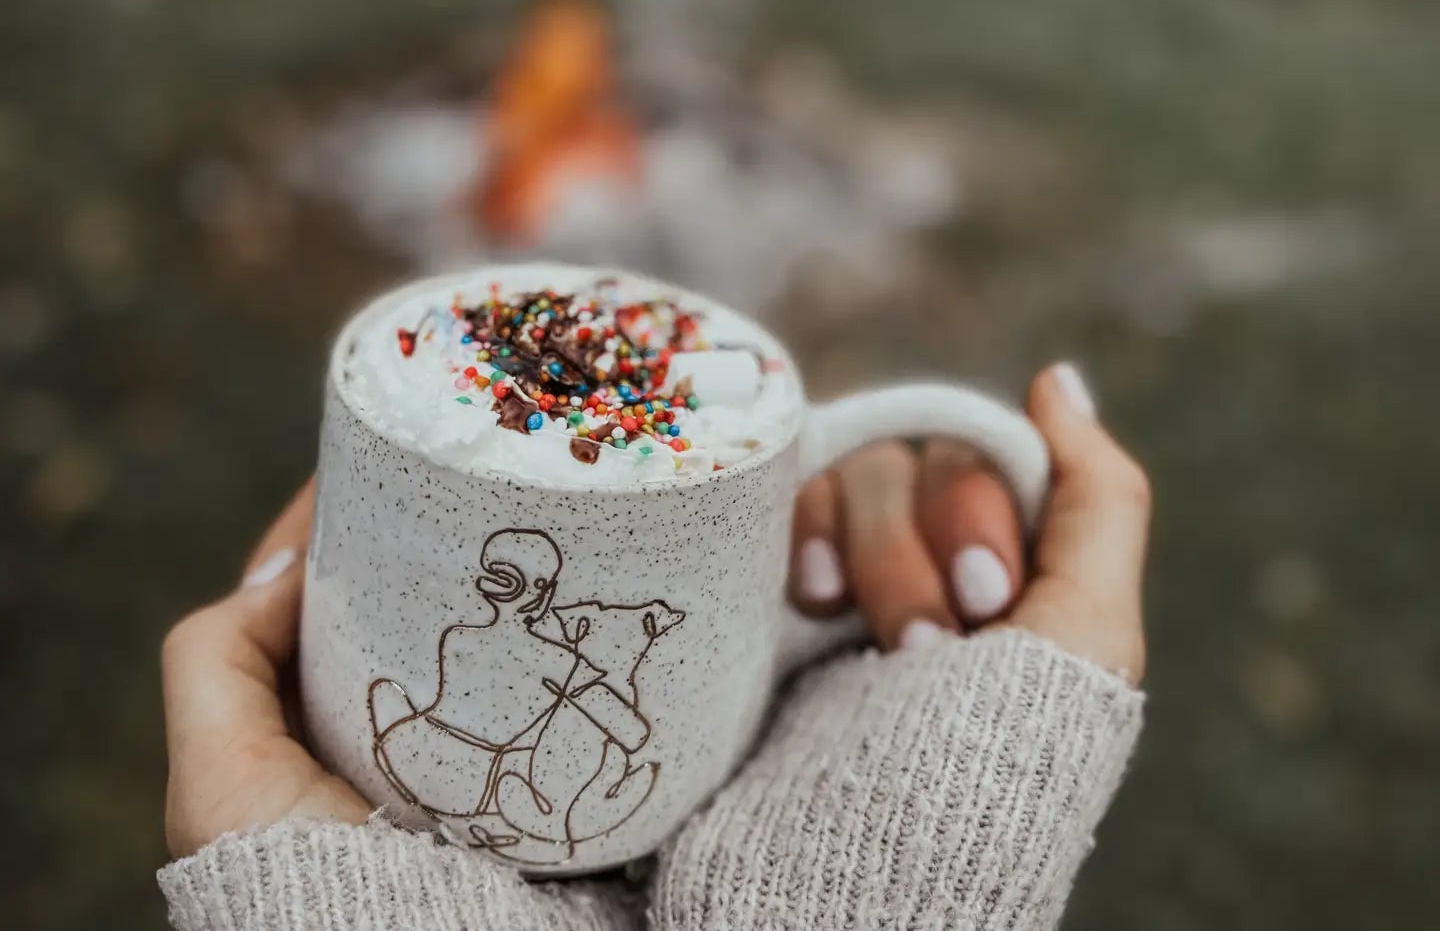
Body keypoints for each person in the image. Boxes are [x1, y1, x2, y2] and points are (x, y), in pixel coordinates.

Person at [159, 363, 1150, 929]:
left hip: (418, 745)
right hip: (471, 769)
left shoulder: (475, 629)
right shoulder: (551, 652)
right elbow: (611, 712)